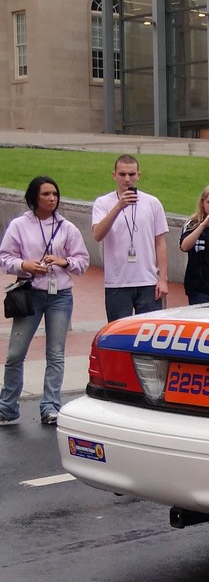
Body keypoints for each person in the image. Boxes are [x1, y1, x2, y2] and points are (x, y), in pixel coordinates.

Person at [0, 176, 90, 426]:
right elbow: (5, 257)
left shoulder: (67, 227)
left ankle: (50, 405)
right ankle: (7, 407)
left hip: (60, 296)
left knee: (56, 354)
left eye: (55, 194)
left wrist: (65, 262)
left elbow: (82, 261)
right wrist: (24, 265)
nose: (52, 199)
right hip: (29, 293)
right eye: (46, 194)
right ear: (34, 197)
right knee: (15, 354)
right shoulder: (19, 225)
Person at [92, 154, 169, 322]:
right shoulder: (103, 203)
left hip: (148, 281)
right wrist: (118, 207)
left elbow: (160, 242)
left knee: (149, 335)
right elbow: (98, 234)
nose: (127, 179)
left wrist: (162, 279)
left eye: (132, 174)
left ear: (138, 175)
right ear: (114, 175)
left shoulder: (152, 202)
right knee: (119, 336)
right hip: (117, 282)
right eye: (122, 174)